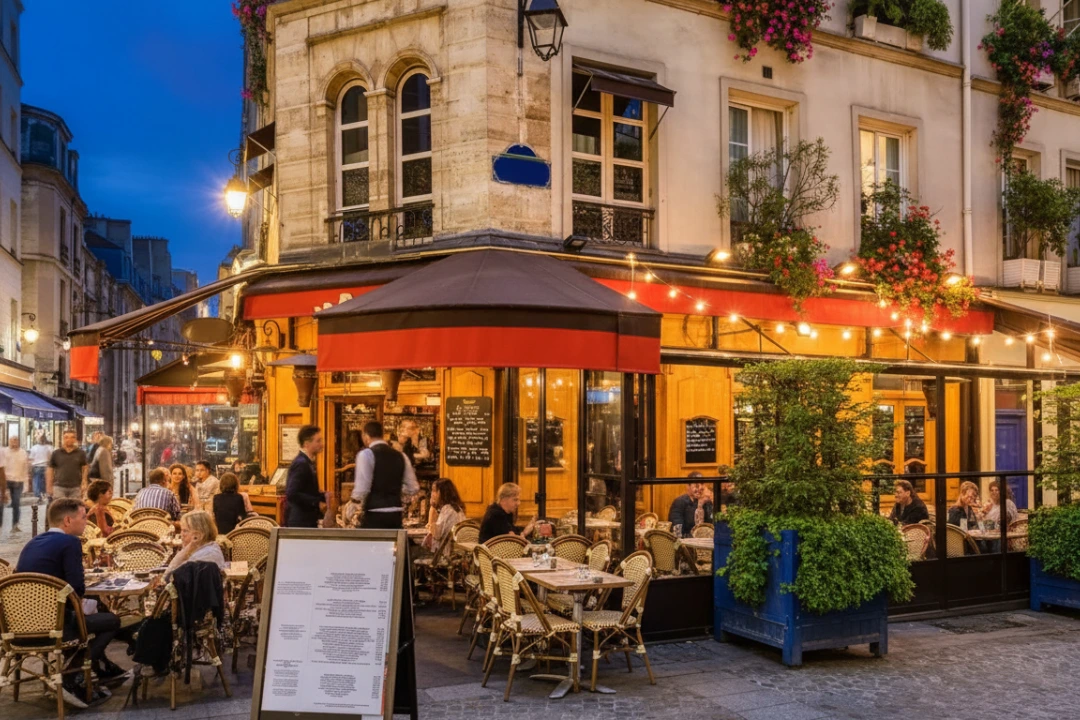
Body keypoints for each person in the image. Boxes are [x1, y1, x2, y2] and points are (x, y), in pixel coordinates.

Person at [16, 498, 126, 705]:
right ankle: (73, 674)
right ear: (67, 520)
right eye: (83, 517)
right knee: (112, 621)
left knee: (95, 609)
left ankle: (101, 669)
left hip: (18, 627)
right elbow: (77, 588)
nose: (86, 522)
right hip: (54, 625)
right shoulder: (70, 542)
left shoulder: (33, 542)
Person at [351, 421, 420, 530]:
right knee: (394, 541)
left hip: (374, 513)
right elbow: (413, 488)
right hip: (395, 514)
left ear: (365, 436)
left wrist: (352, 505)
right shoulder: (401, 456)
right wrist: (396, 490)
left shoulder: (366, 455)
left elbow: (362, 489)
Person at [285, 425, 328, 528]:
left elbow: (306, 490)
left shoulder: (307, 462)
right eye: (318, 441)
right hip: (300, 521)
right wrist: (316, 502)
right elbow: (292, 493)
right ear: (306, 444)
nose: (322, 444)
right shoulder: (301, 463)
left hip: (306, 520)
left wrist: (324, 495)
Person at [164, 511, 226, 579]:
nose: (181, 535)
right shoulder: (209, 547)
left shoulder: (203, 557)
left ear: (198, 536)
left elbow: (169, 577)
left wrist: (186, 550)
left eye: (185, 531)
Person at [423, 478, 467, 550]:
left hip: (449, 551)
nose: (432, 494)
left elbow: (437, 534)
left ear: (442, 493)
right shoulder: (456, 508)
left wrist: (432, 508)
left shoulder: (447, 509)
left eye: (434, 491)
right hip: (456, 549)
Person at [668, 473, 715, 537]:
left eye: (702, 484)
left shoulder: (707, 502)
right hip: (686, 540)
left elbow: (714, 525)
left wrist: (713, 501)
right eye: (696, 485)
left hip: (707, 540)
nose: (700, 488)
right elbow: (677, 532)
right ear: (688, 486)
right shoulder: (679, 502)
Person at [47, 430, 89, 501]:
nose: (69, 439)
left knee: (74, 506)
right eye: (66, 437)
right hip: (59, 487)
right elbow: (50, 470)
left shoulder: (81, 453)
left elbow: (85, 468)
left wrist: (84, 482)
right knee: (60, 507)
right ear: (63, 439)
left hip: (76, 487)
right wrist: (49, 486)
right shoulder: (56, 453)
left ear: (75, 439)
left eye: (72, 437)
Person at [0, 435, 30, 532]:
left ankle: (15, 524)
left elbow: (25, 469)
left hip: (18, 480)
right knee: (1, 502)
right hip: (6, 479)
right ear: (9, 441)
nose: (14, 442)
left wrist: (26, 483)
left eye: (16, 440)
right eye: (12, 440)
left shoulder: (23, 453)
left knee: (16, 503)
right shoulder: (4, 452)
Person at [29, 433, 52, 500]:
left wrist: (30, 468)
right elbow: (51, 458)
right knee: (45, 482)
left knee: (37, 481)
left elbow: (31, 458)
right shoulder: (49, 447)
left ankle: (38, 495)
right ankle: (44, 494)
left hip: (37, 466)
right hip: (46, 466)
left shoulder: (34, 448)